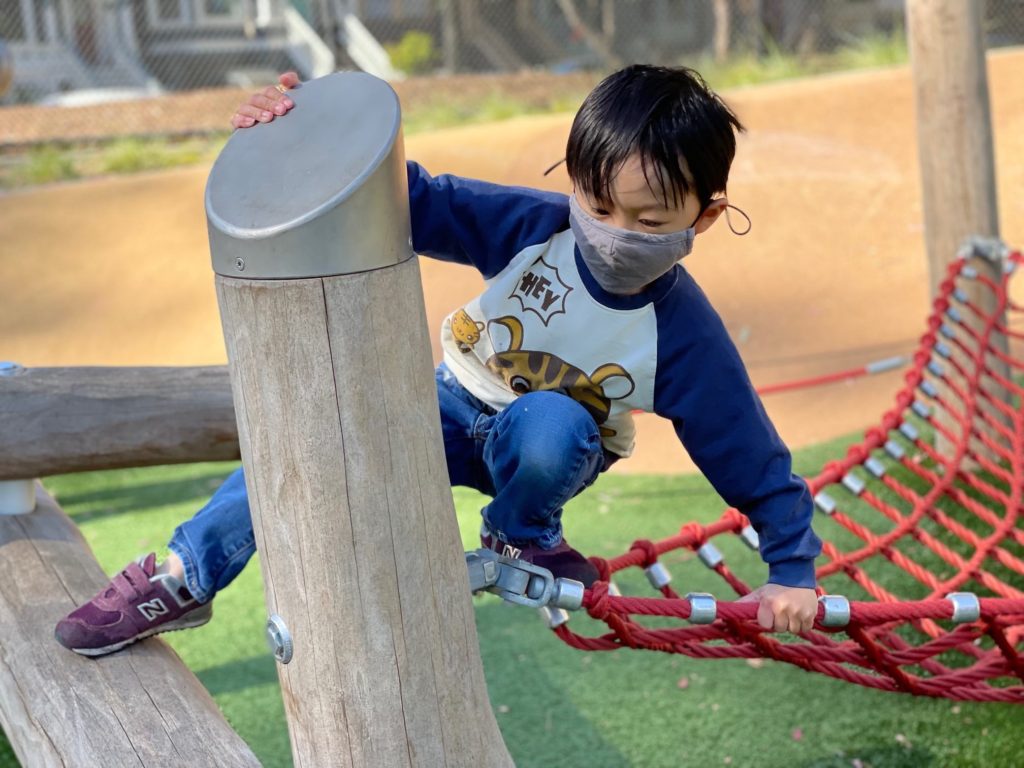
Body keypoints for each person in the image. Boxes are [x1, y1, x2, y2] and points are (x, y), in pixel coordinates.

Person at [55, 65, 822, 657]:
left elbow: (747, 450)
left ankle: (521, 532)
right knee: (307, 438)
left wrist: (790, 569)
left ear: (707, 216)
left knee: (554, 419)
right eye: (597, 204)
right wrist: (299, 127)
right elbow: (404, 197)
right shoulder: (535, 229)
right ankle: (184, 576)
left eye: (649, 220)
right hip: (448, 404)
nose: (615, 230)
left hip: (543, 452)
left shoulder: (682, 334)